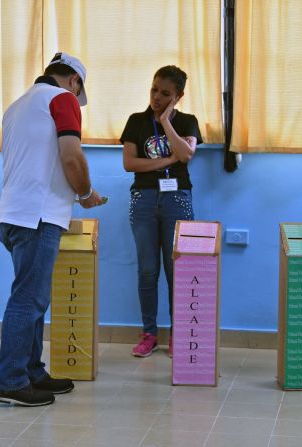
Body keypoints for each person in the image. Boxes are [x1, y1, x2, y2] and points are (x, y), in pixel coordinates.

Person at [0, 52, 104, 407]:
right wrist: (85, 194)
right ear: (74, 80)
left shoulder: (17, 106)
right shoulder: (63, 100)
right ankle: (9, 382)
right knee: (29, 299)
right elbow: (71, 156)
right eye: (78, 89)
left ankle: (31, 372)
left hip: (12, 214)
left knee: (33, 297)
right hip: (38, 217)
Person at [120, 65, 202, 358]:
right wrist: (165, 161)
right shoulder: (136, 121)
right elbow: (129, 164)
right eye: (154, 89)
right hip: (143, 199)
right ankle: (149, 334)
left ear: (178, 96)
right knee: (147, 270)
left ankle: (180, 333)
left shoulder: (188, 121)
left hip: (177, 199)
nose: (156, 97)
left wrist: (167, 121)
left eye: (165, 93)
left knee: (177, 269)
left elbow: (186, 155)